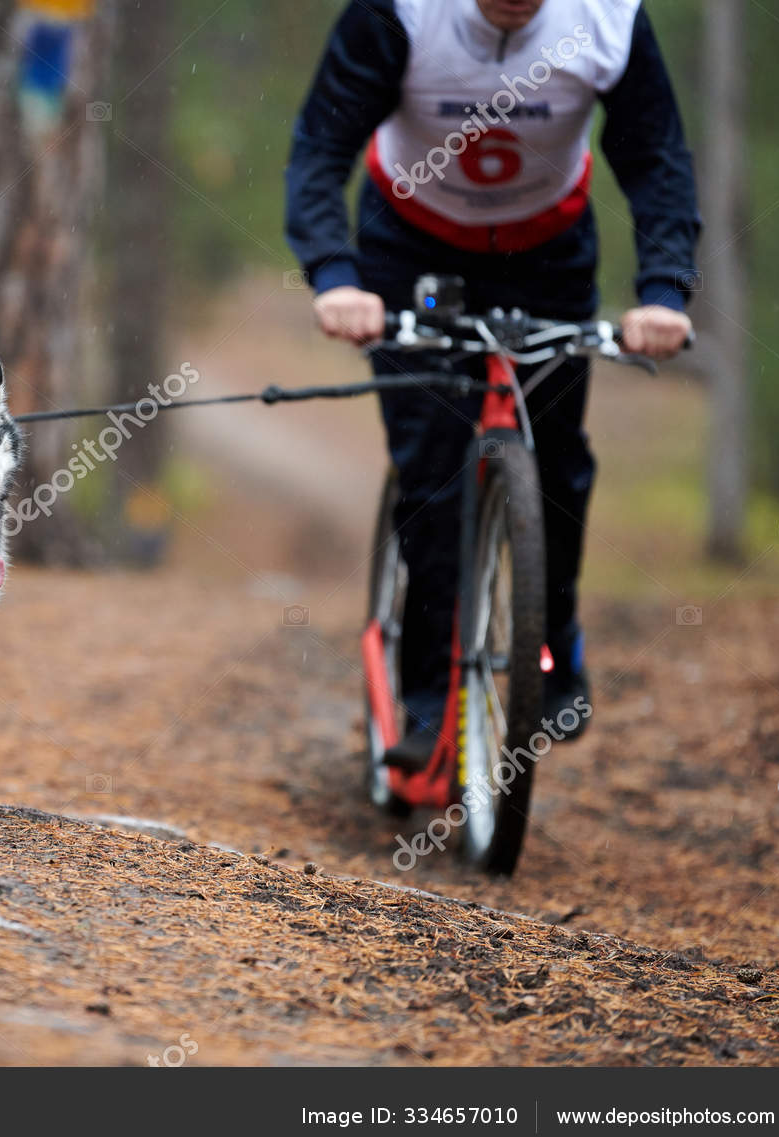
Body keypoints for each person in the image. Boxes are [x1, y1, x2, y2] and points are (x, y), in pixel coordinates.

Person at [285, 0, 700, 768]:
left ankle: (555, 638)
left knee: (559, 463)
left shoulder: (608, 18)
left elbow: (656, 158)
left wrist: (665, 291)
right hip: (411, 249)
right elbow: (321, 144)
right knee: (433, 469)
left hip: (546, 254)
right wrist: (335, 276)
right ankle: (427, 694)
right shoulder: (401, 12)